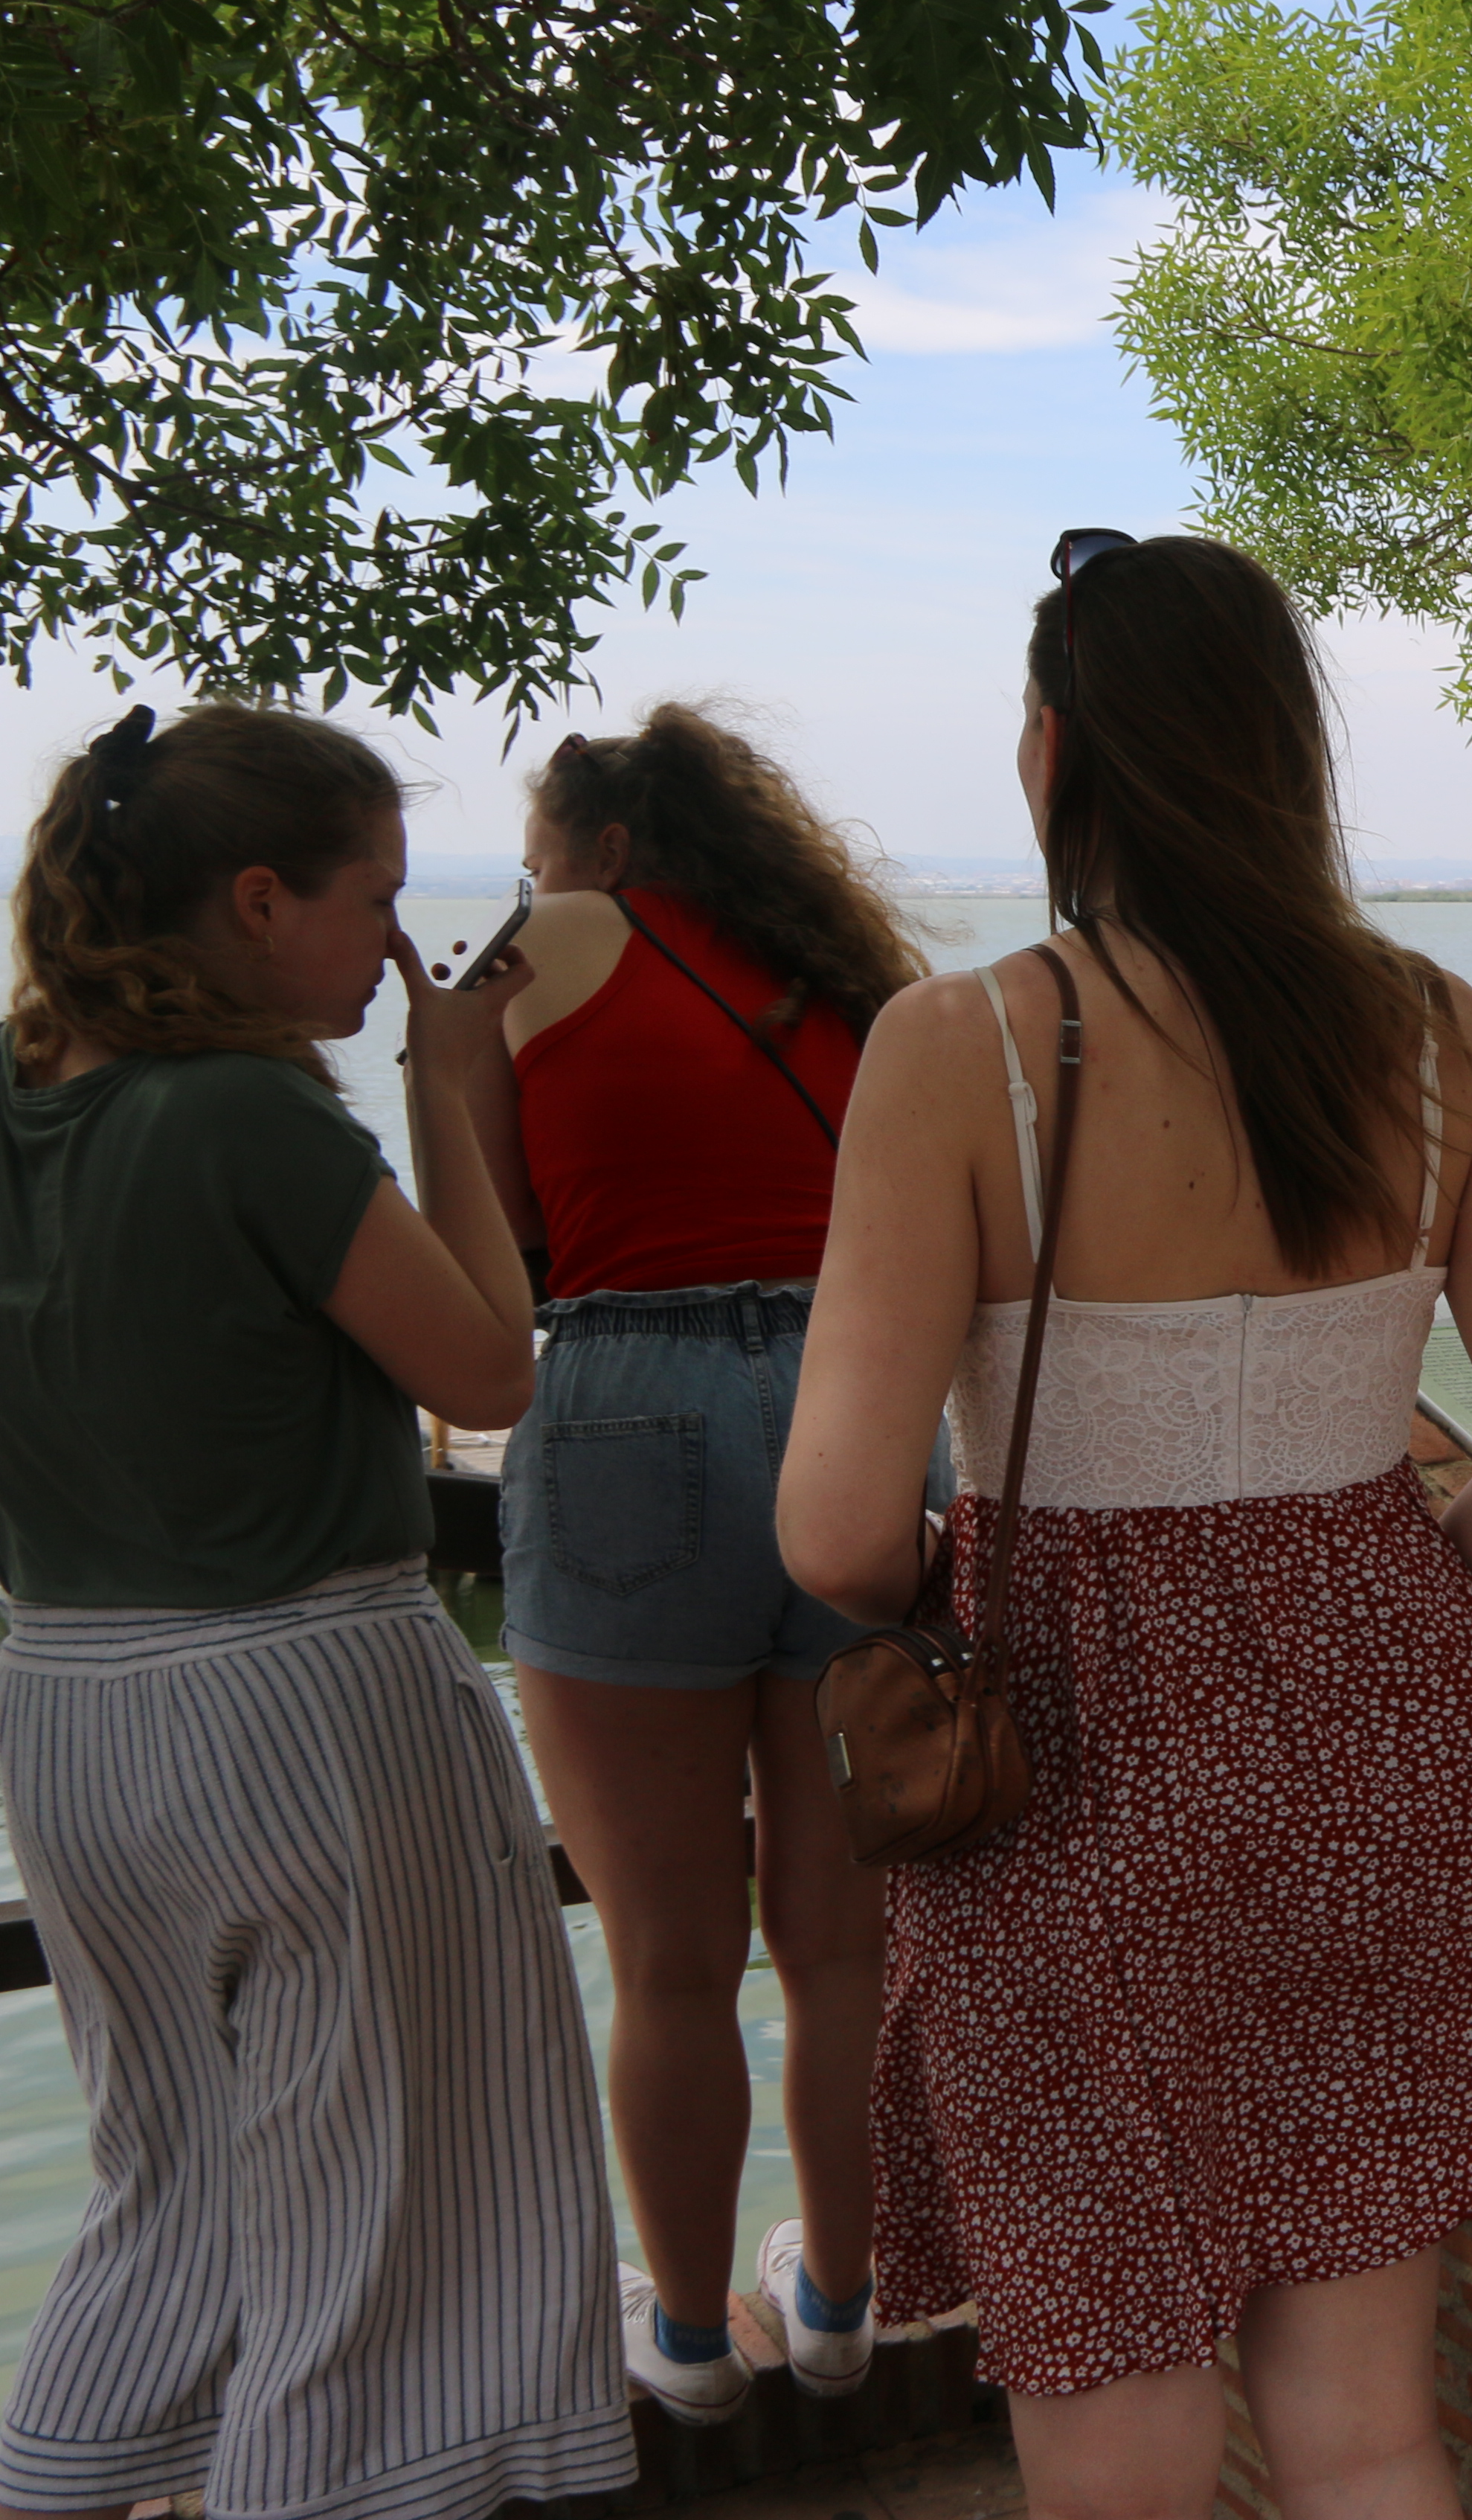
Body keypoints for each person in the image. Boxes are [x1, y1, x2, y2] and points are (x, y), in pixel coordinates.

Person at [776, 531, 1472, 2520]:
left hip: (1072, 1802)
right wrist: (1365, 1639)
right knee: (1366, 2426)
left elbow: (840, 1527)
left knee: (1114, 2414)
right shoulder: (1436, 1033)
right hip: (1394, 1776)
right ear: (1286, 759)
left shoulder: (964, 1048)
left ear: (1056, 750)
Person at [0, 702, 637, 2520]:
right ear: (260, 901)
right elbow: (492, 1367)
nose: (397, 945)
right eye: (376, 899)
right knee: (387, 2206)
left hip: (64, 1699)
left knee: (171, 2180)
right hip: (301, 1697)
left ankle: (67, 2473)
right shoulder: (250, 1118)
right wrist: (454, 1087)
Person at [459, 705, 938, 2417]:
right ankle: (838, 2301)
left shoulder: (548, 942)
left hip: (630, 1400)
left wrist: (453, 1073)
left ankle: (677, 2335)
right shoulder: (852, 980)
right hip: (859, 1409)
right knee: (841, 1948)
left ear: (589, 848)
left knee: (669, 1955)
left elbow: (503, 1243)